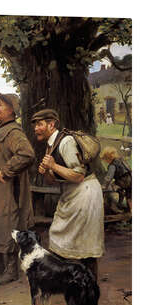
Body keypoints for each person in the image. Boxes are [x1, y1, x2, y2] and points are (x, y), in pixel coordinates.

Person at [33, 108, 104, 280]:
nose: (36, 128)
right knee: (59, 238)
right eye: (35, 124)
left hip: (85, 194)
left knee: (86, 246)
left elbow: (79, 175)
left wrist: (53, 166)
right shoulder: (52, 145)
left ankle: (89, 289)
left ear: (51, 124)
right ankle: (70, 284)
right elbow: (54, 180)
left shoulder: (66, 142)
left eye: (40, 124)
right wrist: (47, 172)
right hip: (72, 195)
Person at [0, 93, 35, 285]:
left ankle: (11, 271)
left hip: (9, 189)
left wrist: (6, 171)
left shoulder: (13, 133)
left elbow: (27, 154)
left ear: (11, 110)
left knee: (7, 225)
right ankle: (0, 268)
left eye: (1, 105)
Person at [100, 146, 132, 212]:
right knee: (129, 196)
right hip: (130, 179)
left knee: (112, 187)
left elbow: (109, 177)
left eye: (105, 159)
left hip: (123, 181)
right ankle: (130, 210)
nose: (106, 161)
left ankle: (114, 205)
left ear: (108, 158)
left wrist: (104, 186)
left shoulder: (112, 165)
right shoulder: (121, 160)